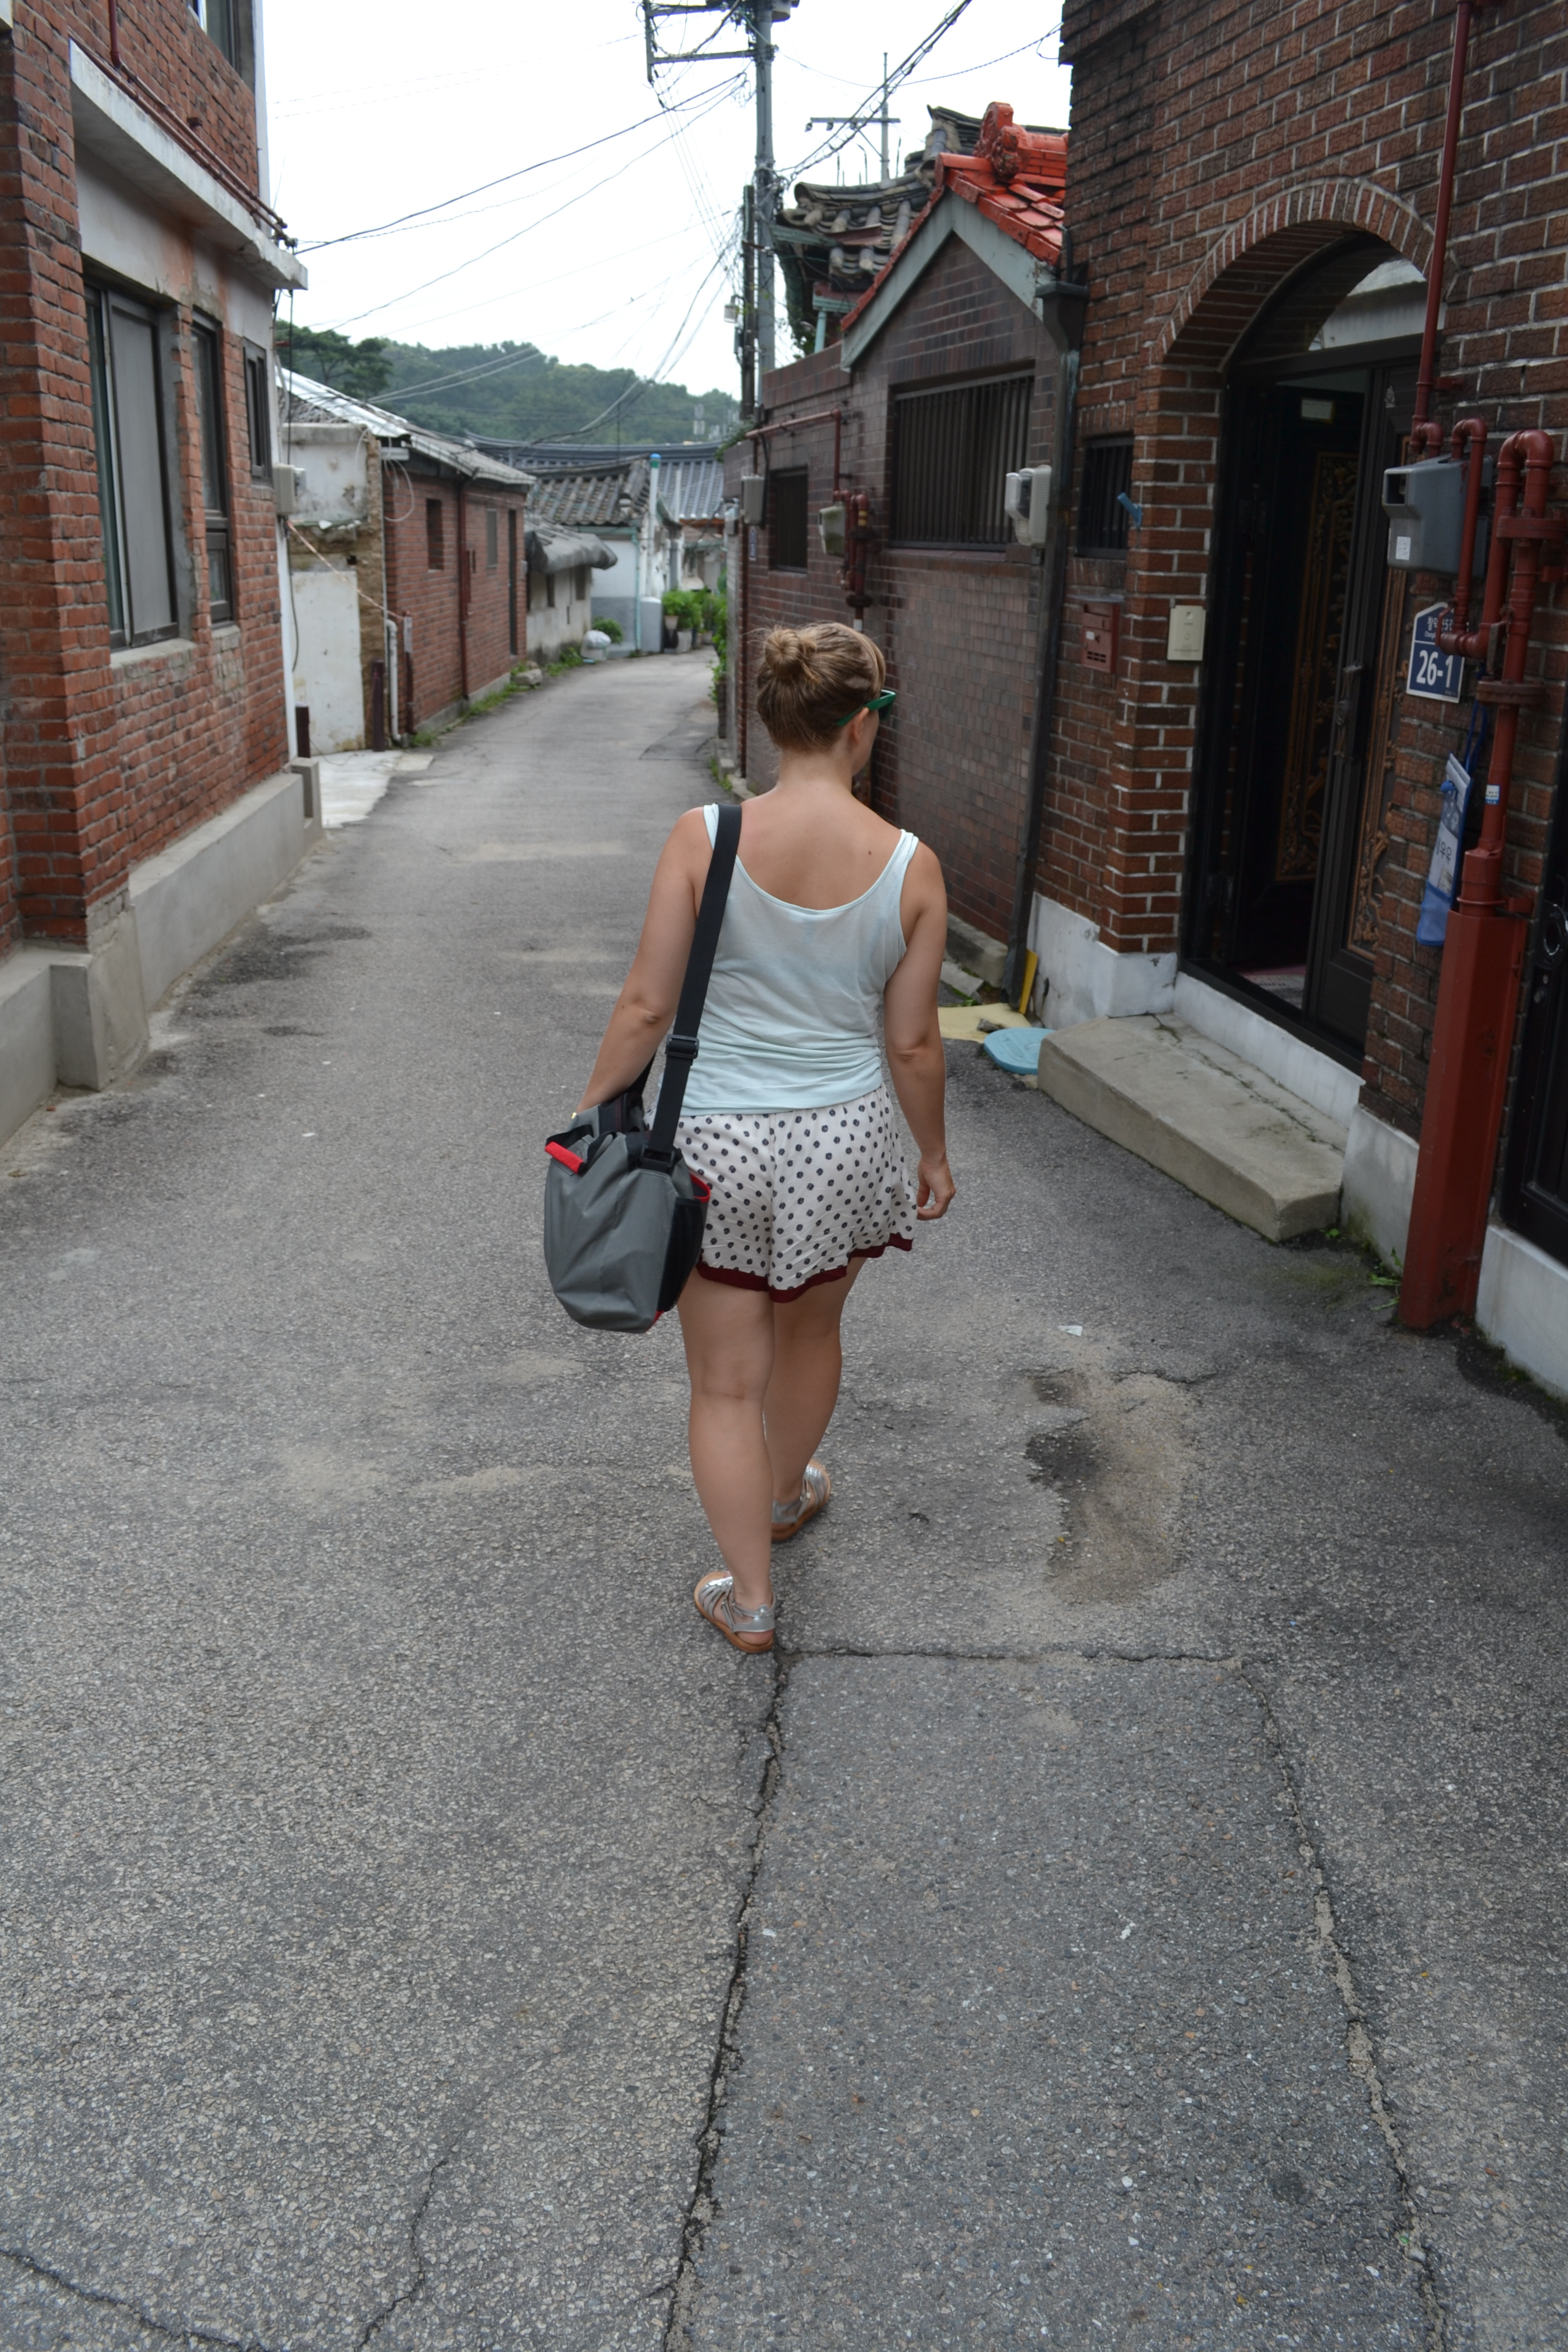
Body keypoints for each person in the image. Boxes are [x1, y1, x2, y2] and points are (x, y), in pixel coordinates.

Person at [573, 622, 954, 1653]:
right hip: (846, 1140)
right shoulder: (911, 865)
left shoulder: (705, 838)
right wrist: (931, 1153)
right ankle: (786, 1494)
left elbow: (647, 1005)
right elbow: (913, 1042)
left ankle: (749, 1599)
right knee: (814, 1335)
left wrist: (590, 1117)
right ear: (863, 725)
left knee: (724, 1381)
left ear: (775, 720)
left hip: (715, 1145)